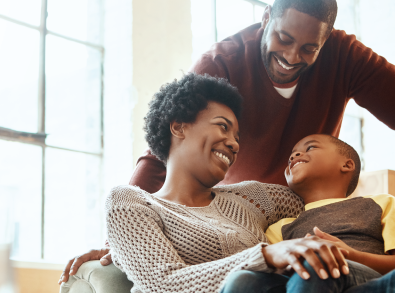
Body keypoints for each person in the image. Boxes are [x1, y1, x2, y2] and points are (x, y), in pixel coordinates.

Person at [60, 0, 395, 282]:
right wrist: (122, 238)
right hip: (254, 225)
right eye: (283, 38)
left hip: (289, 208)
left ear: (326, 40)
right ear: (266, 19)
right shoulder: (222, 63)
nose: (293, 56)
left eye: (309, 48)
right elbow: (162, 155)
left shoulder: (345, 56)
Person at [67, 73, 354, 292]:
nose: (233, 144)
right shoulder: (130, 201)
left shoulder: (253, 196)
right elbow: (164, 285)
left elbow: (323, 198)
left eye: (237, 137)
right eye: (223, 127)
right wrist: (267, 254)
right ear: (179, 126)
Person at [221, 134, 395, 292]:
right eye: (292, 154)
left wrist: (354, 256)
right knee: (242, 279)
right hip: (303, 283)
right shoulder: (280, 227)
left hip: (370, 281)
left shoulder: (380, 203)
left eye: (310, 147)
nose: (293, 156)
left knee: (319, 262)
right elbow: (277, 270)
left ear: (347, 165)